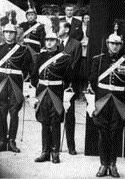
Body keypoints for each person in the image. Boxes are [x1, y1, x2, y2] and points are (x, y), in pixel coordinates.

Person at [89, 30, 125, 177]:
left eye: (118, 44)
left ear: (121, 45)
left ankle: (113, 165)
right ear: (108, 44)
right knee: (103, 133)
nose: (115, 46)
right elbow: (92, 83)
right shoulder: (98, 60)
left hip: (118, 102)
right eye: (112, 43)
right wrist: (92, 103)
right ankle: (103, 164)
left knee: (115, 134)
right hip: (102, 101)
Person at [30, 31, 72, 163]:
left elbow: (68, 78)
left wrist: (66, 97)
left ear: (57, 42)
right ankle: (45, 152)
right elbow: (34, 76)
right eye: (47, 40)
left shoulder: (64, 58)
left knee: (55, 122)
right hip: (42, 93)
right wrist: (34, 94)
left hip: (56, 92)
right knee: (44, 122)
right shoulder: (40, 57)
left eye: (52, 40)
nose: (49, 42)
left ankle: (55, 152)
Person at [0, 23, 33, 152]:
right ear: (3, 33)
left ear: (15, 34)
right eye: (6, 32)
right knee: (1, 112)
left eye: (11, 32)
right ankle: (2, 140)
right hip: (1, 83)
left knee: (14, 112)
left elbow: (28, 68)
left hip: (15, 84)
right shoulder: (0, 48)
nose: (9, 34)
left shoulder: (23, 50)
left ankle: (12, 141)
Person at [57, 20, 82, 155]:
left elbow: (76, 64)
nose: (57, 30)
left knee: (70, 115)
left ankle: (71, 146)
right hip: (55, 84)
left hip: (69, 84)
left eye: (59, 27)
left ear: (66, 29)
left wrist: (66, 78)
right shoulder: (55, 43)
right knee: (55, 114)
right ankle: (55, 144)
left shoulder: (76, 44)